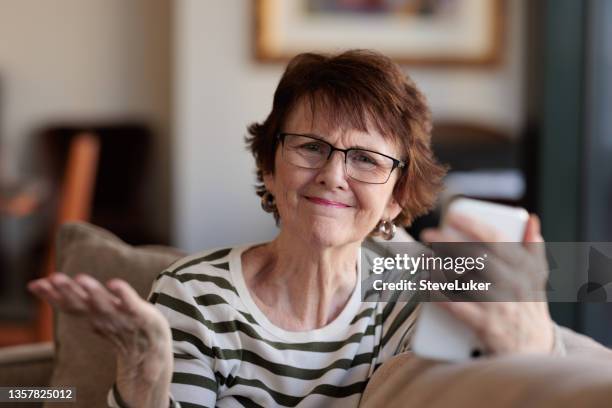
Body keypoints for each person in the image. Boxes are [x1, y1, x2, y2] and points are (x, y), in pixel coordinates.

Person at [28, 50, 559, 408]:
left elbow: (594, 278)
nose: (332, 175)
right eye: (311, 147)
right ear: (269, 166)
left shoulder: (419, 285)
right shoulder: (192, 295)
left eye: (366, 160)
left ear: (397, 197)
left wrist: (534, 337)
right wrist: (144, 372)